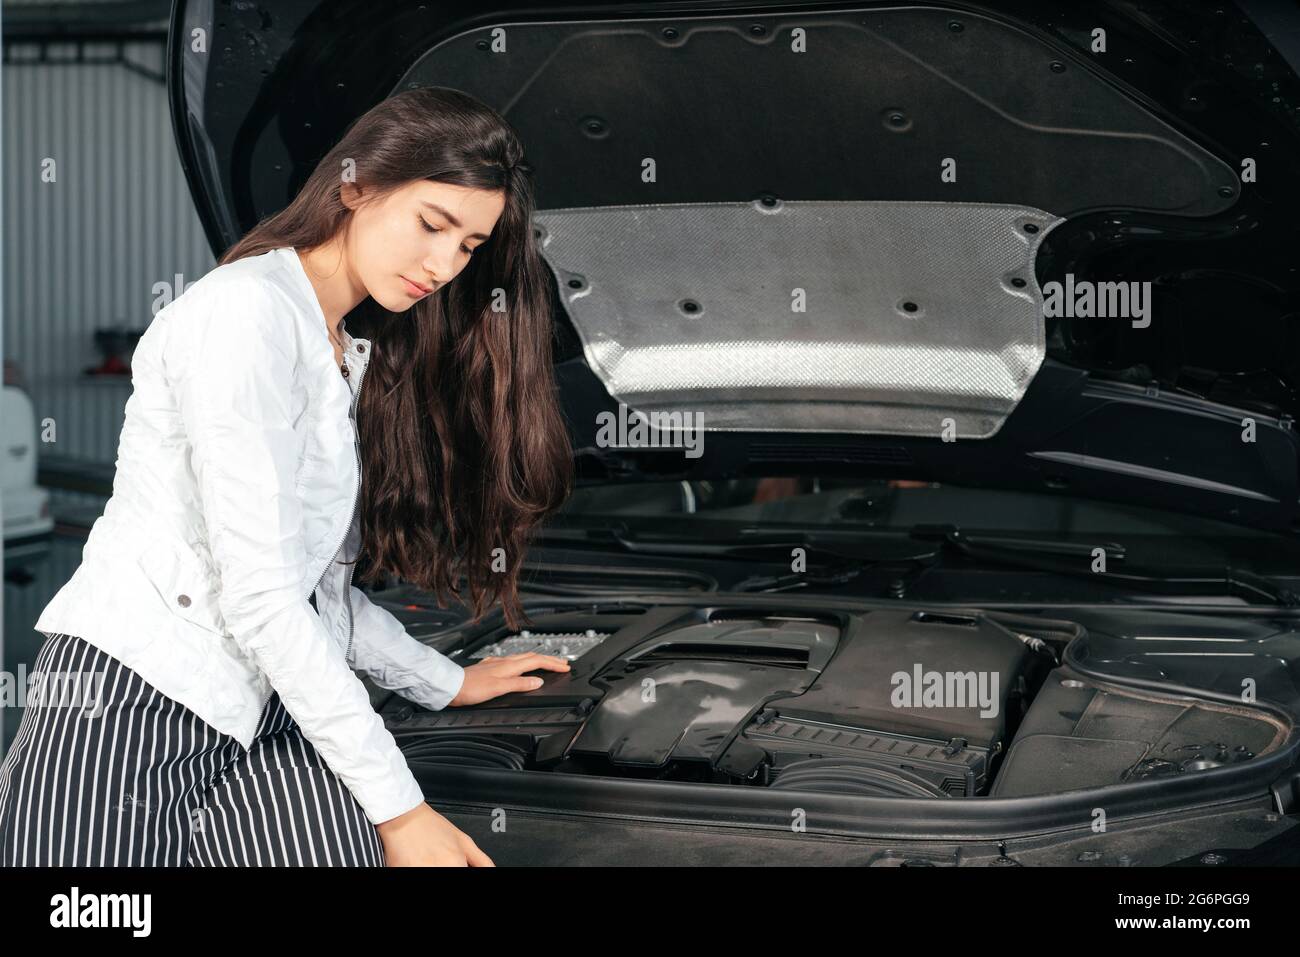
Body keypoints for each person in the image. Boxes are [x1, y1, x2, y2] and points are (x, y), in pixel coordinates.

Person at [0, 87, 575, 867]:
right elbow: (265, 597)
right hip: (130, 697)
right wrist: (403, 812)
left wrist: (445, 681)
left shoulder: (341, 345)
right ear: (355, 186)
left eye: (469, 246)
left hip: (264, 704)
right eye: (432, 224)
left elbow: (318, 594)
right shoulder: (245, 318)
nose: (443, 266)